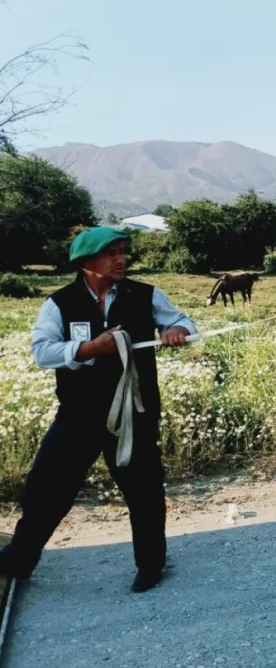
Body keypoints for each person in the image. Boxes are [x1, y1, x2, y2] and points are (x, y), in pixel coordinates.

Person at [0, 227, 196, 593]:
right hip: (78, 415)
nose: (121, 260)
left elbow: (183, 321)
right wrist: (88, 349)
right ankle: (19, 560)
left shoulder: (146, 295)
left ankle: (151, 565)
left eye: (123, 252)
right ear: (87, 262)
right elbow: (43, 352)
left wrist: (177, 331)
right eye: (112, 254)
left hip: (132, 415)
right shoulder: (58, 303)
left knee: (144, 489)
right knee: (46, 486)